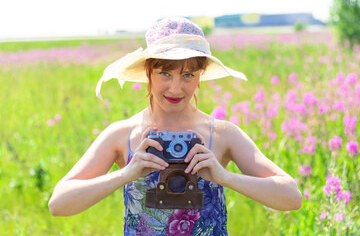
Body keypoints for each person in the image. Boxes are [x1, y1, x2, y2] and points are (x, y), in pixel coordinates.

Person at [48, 17, 302, 235]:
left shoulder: (222, 134)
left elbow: (291, 197)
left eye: (188, 75)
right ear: (148, 71)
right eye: (165, 73)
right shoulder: (123, 134)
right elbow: (59, 204)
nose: (176, 88)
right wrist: (126, 174)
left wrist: (224, 177)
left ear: (200, 75)